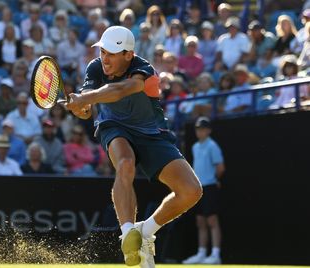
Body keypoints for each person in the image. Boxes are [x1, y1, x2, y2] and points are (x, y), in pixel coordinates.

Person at [65, 26, 202, 267]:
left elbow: (121, 90)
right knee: (125, 164)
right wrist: (81, 106)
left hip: (152, 132)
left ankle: (145, 231)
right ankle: (128, 234)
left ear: (128, 55)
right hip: (113, 126)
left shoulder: (143, 69)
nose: (104, 58)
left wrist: (86, 98)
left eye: (111, 53)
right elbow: (86, 111)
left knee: (192, 191)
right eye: (102, 52)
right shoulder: (95, 67)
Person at [183, 117, 225, 264]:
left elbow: (220, 168)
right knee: (200, 221)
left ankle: (215, 254)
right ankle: (201, 253)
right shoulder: (194, 147)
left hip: (210, 187)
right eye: (197, 129)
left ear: (208, 130)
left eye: (202, 129)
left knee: (212, 220)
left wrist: (213, 180)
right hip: (199, 189)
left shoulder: (212, 146)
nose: (199, 132)